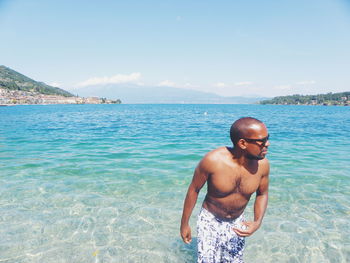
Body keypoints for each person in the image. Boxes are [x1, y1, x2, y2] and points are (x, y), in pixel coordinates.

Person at [180, 117, 270, 263]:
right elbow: (194, 190)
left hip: (237, 221)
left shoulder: (263, 166)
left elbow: (262, 194)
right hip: (210, 219)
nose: (268, 144)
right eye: (262, 141)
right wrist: (184, 224)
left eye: (268, 138)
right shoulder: (213, 161)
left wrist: (257, 222)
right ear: (242, 143)